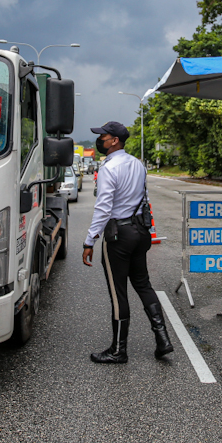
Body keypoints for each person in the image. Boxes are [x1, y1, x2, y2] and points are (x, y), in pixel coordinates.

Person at [83, 121, 173, 363]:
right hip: (140, 233)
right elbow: (143, 199)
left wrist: (89, 240)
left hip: (119, 236)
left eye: (103, 136)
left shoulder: (109, 168)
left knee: (118, 292)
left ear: (115, 141)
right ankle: (163, 339)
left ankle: (118, 350)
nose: (99, 139)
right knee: (143, 285)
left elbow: (103, 208)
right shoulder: (138, 164)